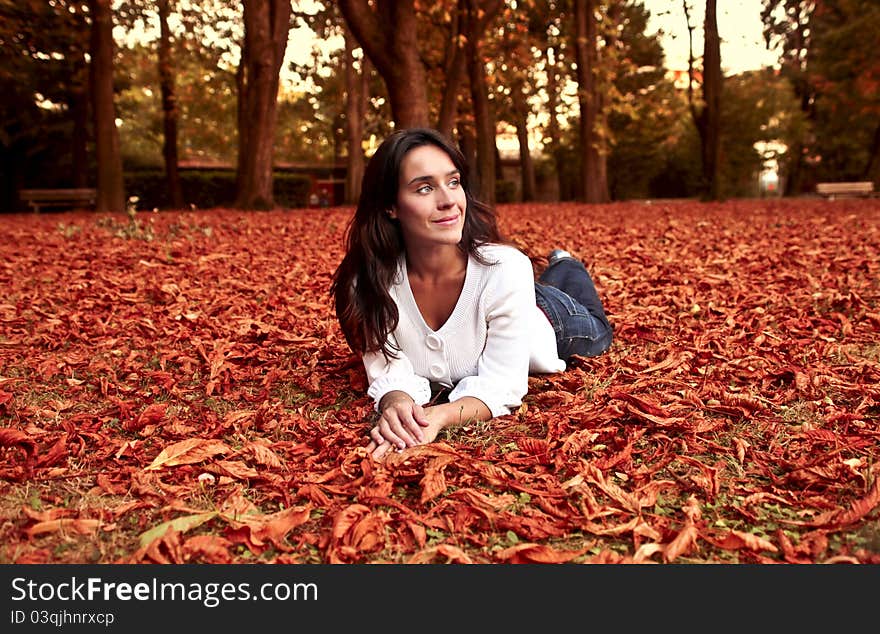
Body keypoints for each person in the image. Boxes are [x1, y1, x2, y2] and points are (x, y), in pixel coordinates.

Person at [331, 127, 612, 459]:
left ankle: (567, 265)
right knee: (526, 277)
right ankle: (554, 270)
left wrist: (439, 417)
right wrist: (397, 403)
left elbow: (502, 385)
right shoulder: (368, 284)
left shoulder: (505, 269)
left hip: (550, 322)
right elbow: (389, 371)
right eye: (424, 188)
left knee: (597, 330)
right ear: (391, 206)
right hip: (507, 295)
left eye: (453, 182)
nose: (448, 200)